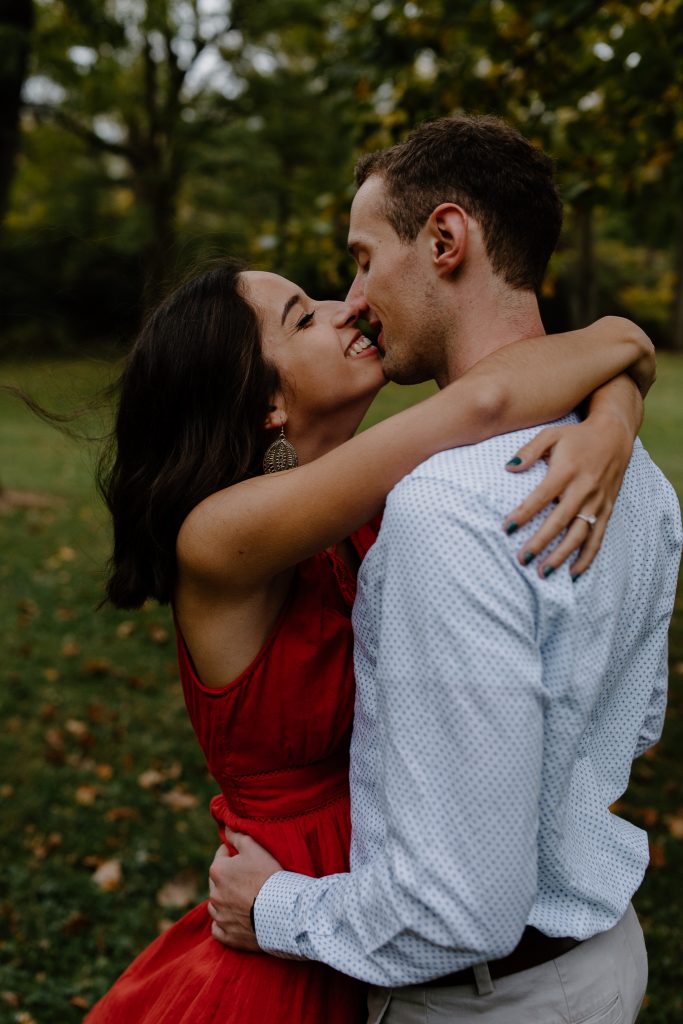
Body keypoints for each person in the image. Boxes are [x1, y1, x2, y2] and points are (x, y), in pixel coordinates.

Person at [207, 117, 682, 1024]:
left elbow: (454, 910)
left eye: (359, 258)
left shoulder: (438, 512)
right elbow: (639, 721)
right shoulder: (640, 479)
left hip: (484, 1001)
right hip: (607, 957)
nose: (353, 298)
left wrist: (271, 906)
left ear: (445, 239)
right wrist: (620, 391)